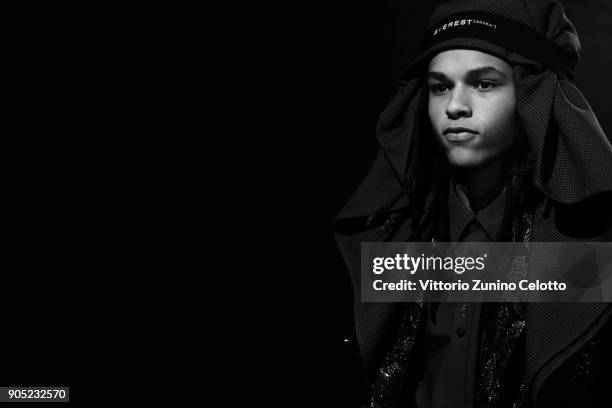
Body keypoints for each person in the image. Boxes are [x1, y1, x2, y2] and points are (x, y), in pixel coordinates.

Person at [332, 0, 612, 406]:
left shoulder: (584, 253)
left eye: (484, 83)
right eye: (440, 86)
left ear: (530, 96)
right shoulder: (385, 236)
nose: (454, 106)